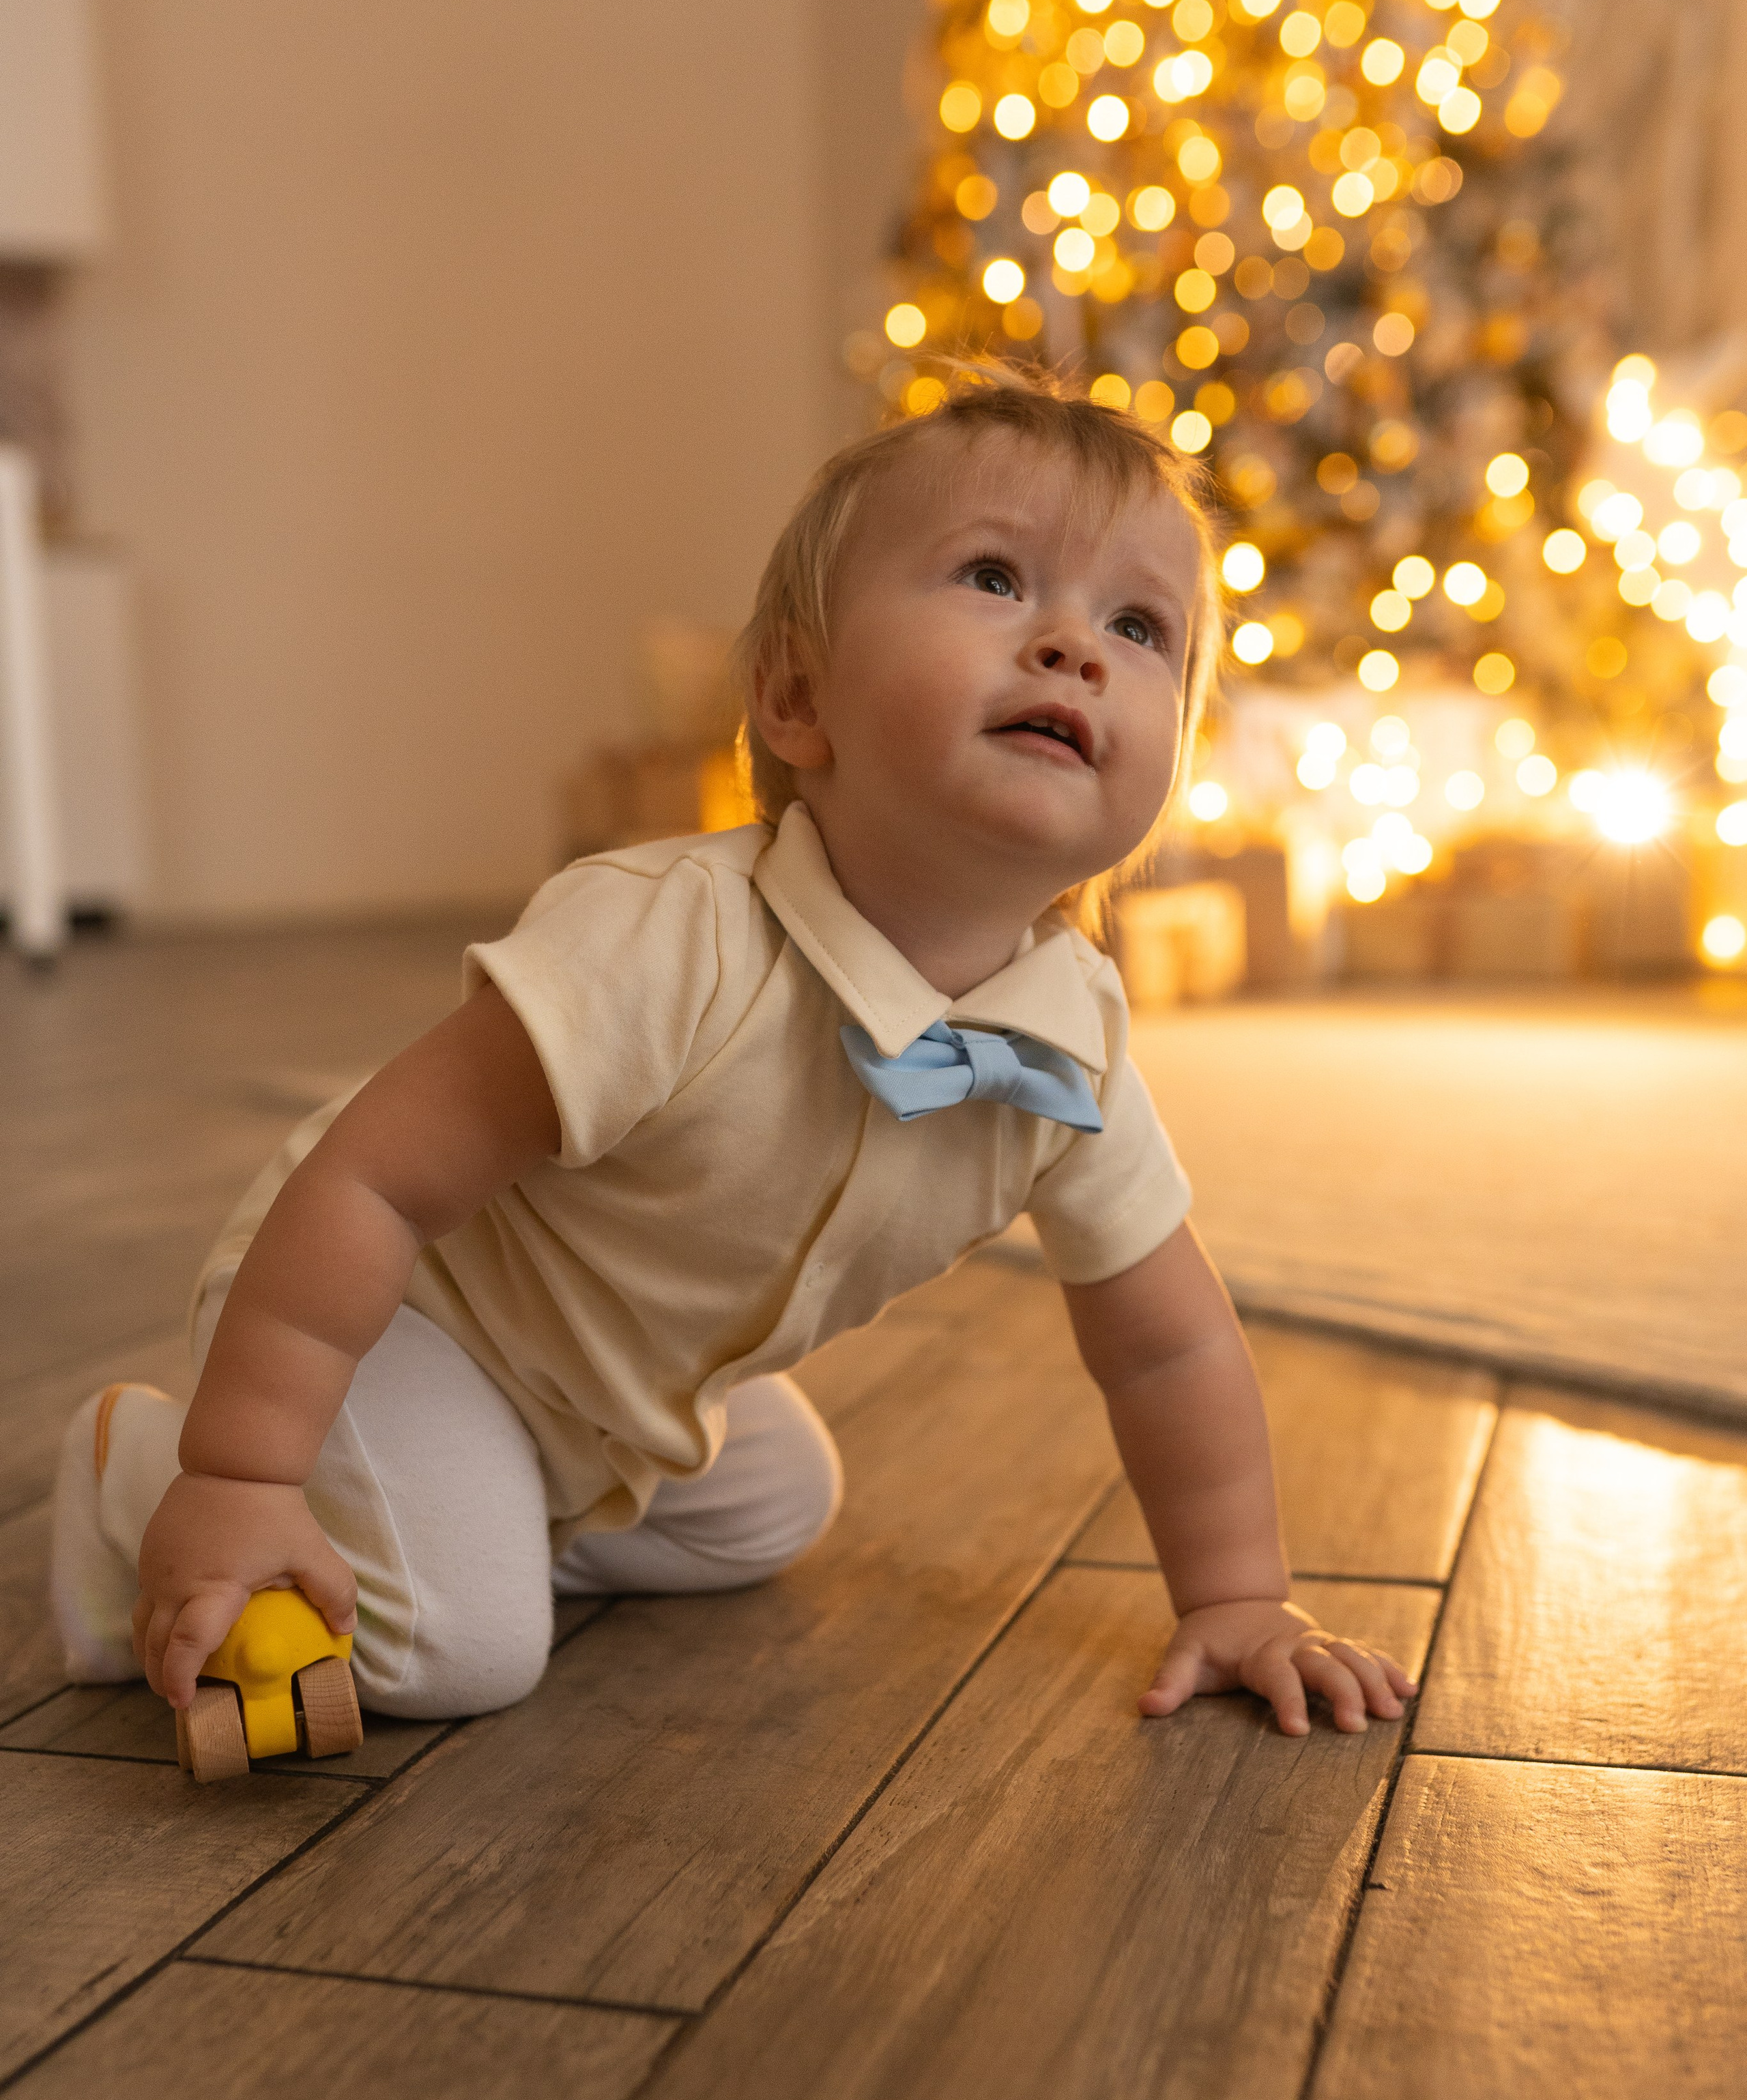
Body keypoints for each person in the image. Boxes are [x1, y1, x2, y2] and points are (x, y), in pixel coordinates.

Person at [50, 368, 1414, 1741]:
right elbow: (372, 1186)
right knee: (467, 1649)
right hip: (386, 1317)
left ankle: (470, 1500)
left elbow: (1167, 1351)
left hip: (610, 1387)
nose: (1072, 645)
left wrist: (1235, 1596)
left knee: (770, 1511)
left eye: (1137, 625)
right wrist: (244, 1470)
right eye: (994, 578)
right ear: (794, 699)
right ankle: (148, 1471)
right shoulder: (668, 942)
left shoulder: (1070, 1047)